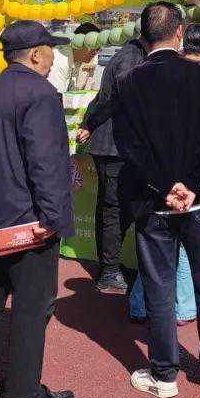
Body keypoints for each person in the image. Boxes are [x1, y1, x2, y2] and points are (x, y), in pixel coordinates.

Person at [110, 4, 200, 398]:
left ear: (142, 35)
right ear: (180, 32)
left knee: (159, 287)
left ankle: (164, 374)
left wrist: (165, 186)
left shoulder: (128, 81)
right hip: (199, 201)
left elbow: (128, 146)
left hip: (154, 202)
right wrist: (193, 185)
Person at [0, 21, 75, 398]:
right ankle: (22, 393)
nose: (54, 56)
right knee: (32, 306)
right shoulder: (40, 93)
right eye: (51, 49)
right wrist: (53, 218)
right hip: (27, 221)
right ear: (36, 54)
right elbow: (46, 162)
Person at [76, 27, 144, 294]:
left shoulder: (127, 55)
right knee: (113, 209)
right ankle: (109, 270)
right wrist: (90, 123)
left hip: (112, 143)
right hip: (113, 145)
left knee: (112, 208)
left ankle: (110, 267)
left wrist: (89, 123)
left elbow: (103, 98)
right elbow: (112, 98)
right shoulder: (131, 58)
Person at [48, 22, 101, 93]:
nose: (95, 52)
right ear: (79, 41)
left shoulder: (76, 62)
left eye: (98, 49)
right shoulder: (61, 61)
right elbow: (55, 96)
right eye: (94, 47)